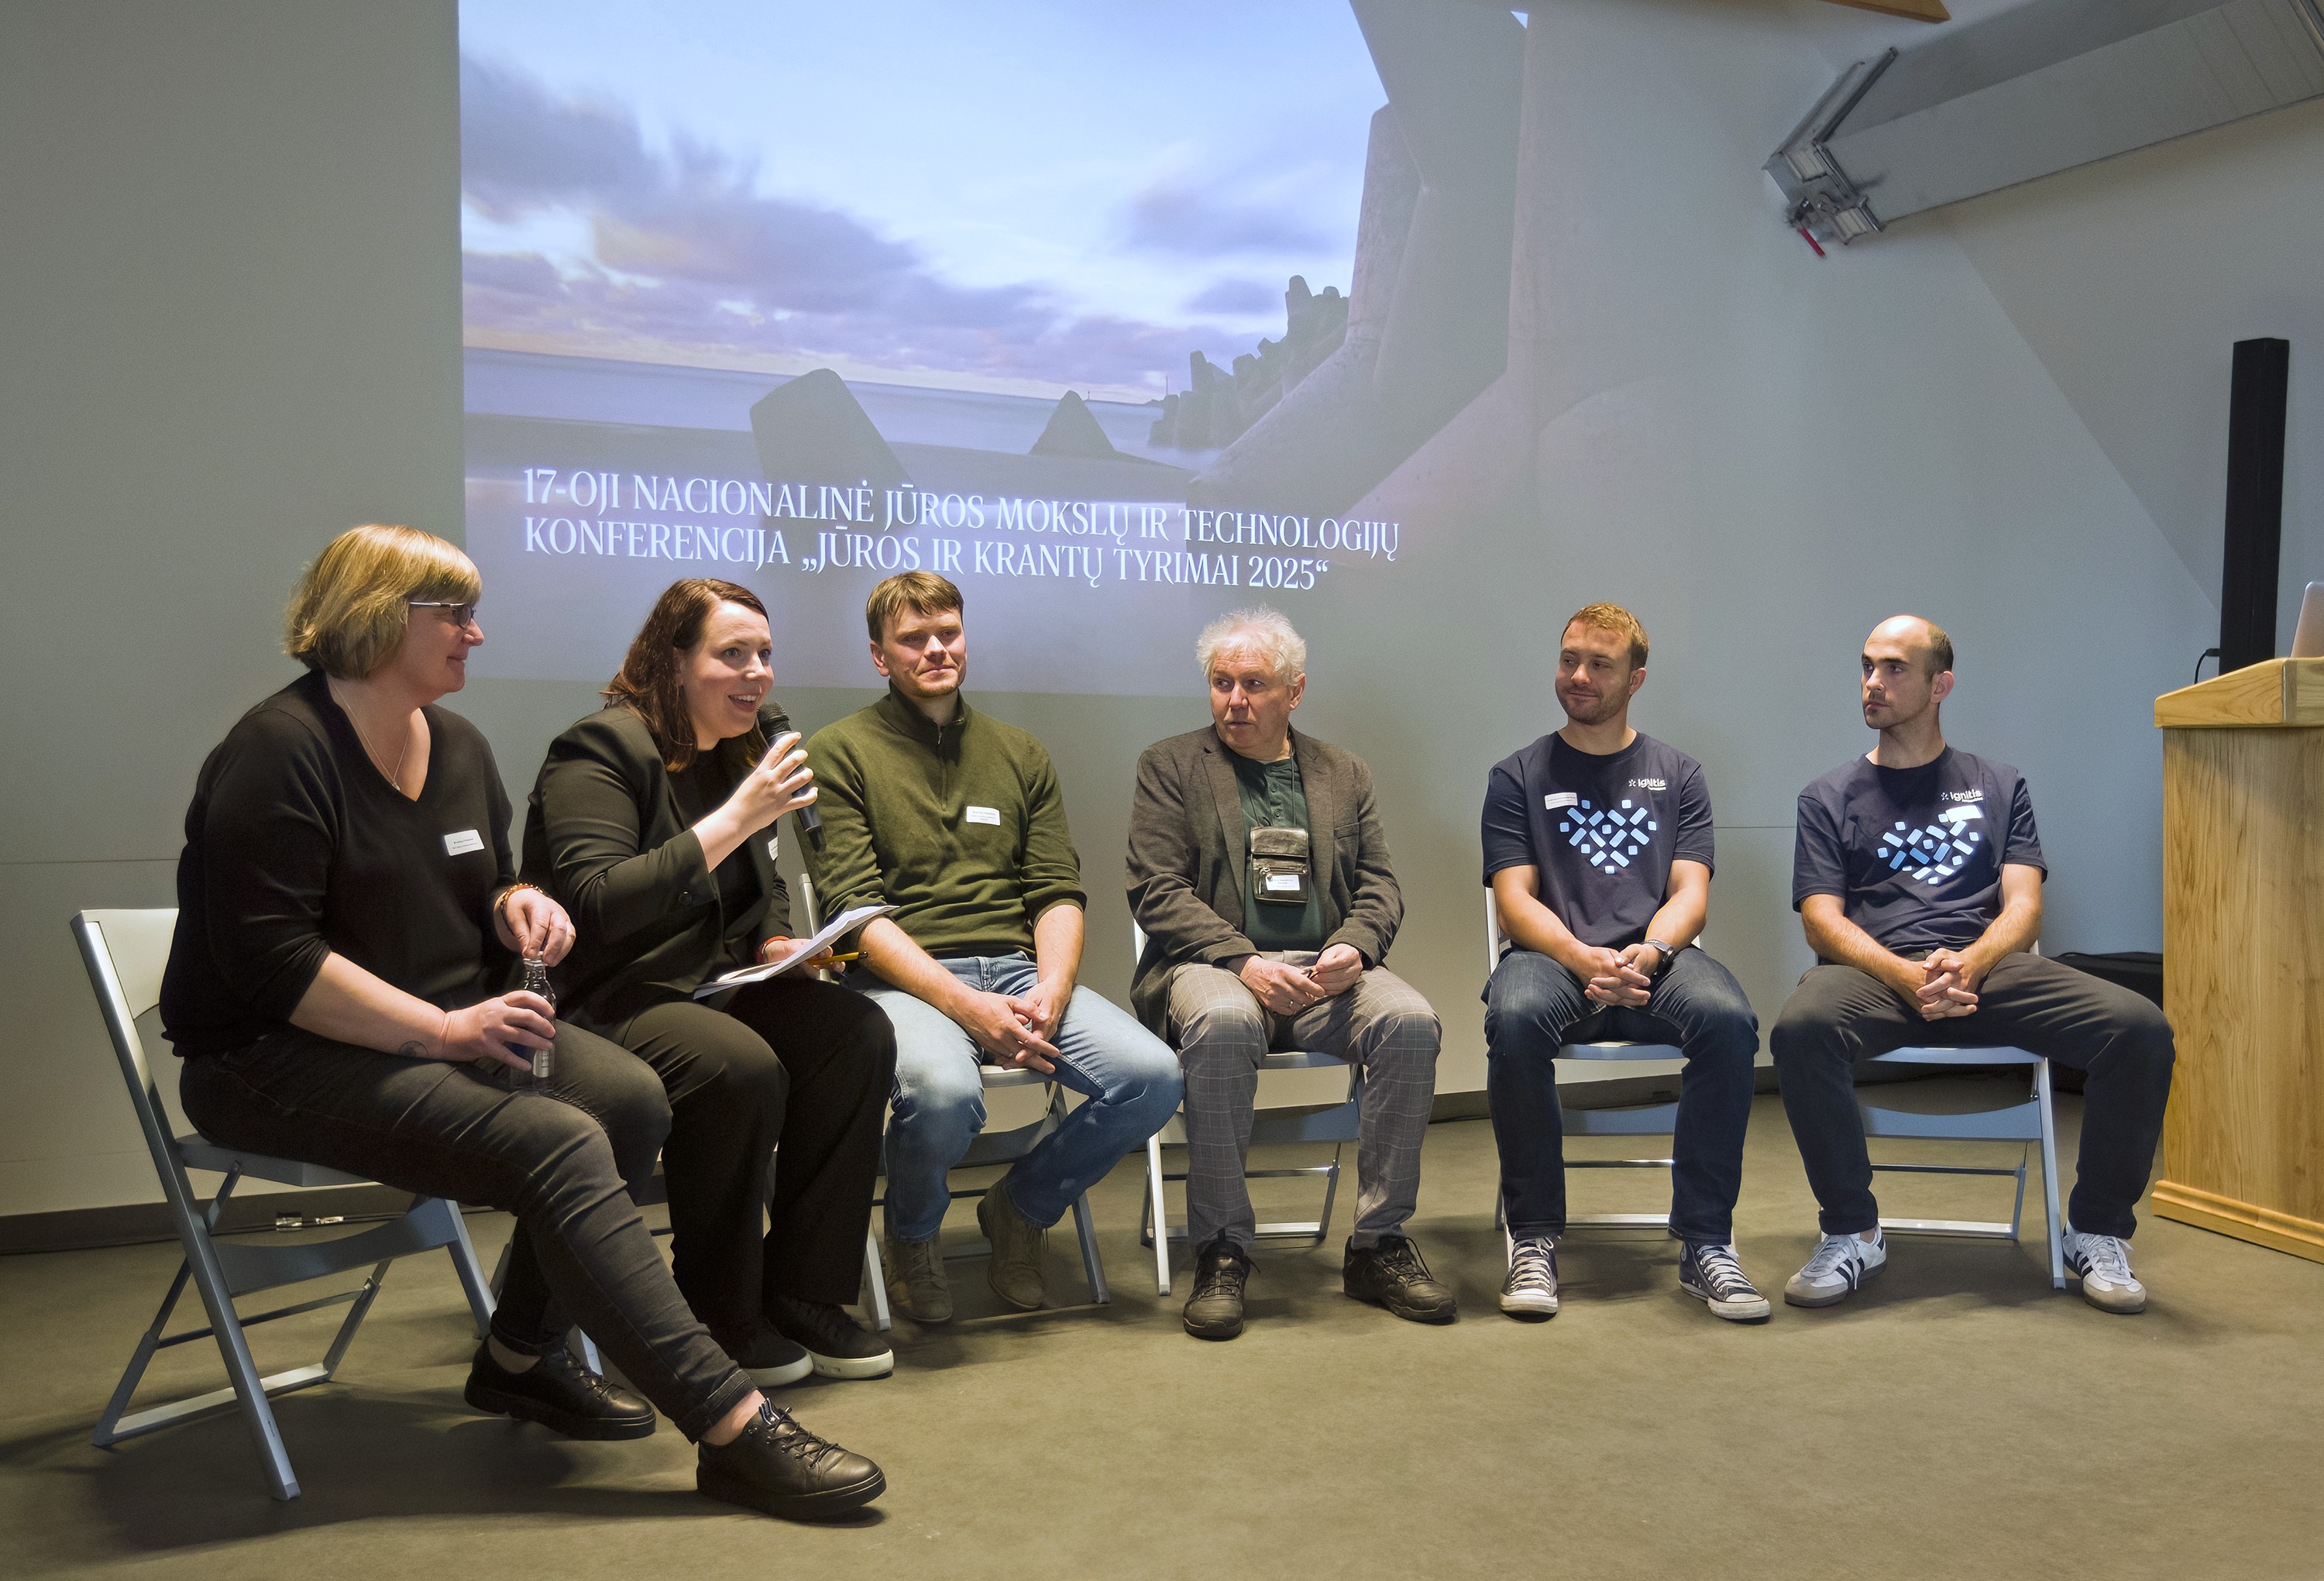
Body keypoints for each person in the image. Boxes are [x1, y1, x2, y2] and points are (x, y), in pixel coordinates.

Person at [159, 525, 882, 1521]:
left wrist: (513, 903)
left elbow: (484, 880)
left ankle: (517, 1356)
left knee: (630, 1098)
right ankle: (732, 1424)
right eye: (455, 614)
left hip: (434, 1025)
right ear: (378, 617)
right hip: (272, 1055)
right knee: (558, 1137)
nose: (477, 634)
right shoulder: (278, 751)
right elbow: (275, 966)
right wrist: (443, 1032)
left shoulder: (455, 743)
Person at [522, 578, 896, 1385]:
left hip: (711, 984)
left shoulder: (735, 752)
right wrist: (737, 817)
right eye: (732, 654)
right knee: (736, 1065)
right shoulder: (599, 749)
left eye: (765, 654)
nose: (756, 672)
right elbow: (596, 902)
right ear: (673, 662)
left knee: (855, 1032)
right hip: (611, 996)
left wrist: (775, 940)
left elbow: (754, 886)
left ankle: (804, 1291)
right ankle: (717, 1308)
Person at [804, 571, 1181, 1321]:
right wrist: (967, 1007)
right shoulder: (837, 752)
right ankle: (912, 1235)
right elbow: (855, 915)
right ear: (880, 656)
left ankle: (1021, 1207)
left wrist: (1053, 989)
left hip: (1017, 971)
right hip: (899, 983)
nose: (936, 649)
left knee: (1154, 1076)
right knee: (943, 1094)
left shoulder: (1019, 752)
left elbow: (1056, 890)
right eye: (913, 638)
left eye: (948, 632)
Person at [1772, 615, 2175, 1315]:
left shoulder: (1998, 783)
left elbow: (2025, 907)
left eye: (1894, 668)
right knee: (1801, 1028)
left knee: (2139, 1030)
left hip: (1987, 969)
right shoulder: (1828, 796)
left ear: (1941, 685)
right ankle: (1853, 1229)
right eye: (1867, 666)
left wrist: (1973, 961)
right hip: (1875, 975)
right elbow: (1821, 919)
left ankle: (2096, 1229)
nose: (1873, 682)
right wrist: (1903, 974)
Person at [1128, 609, 1450, 1339]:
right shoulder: (1170, 765)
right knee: (1223, 1021)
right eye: (1222, 683)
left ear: (1294, 691)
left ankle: (1378, 1245)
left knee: (1409, 1022)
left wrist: (1354, 948)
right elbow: (1156, 889)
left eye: (1253, 684)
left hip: (1322, 973)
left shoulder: (1344, 771)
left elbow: (1379, 883)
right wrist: (1244, 961)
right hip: (1213, 964)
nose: (1234, 700)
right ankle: (1222, 1248)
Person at [1480, 603, 1768, 1322]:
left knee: (1729, 1020)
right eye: (1569, 659)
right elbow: (1514, 902)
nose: (1578, 675)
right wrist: (1581, 957)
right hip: (1552, 956)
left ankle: (1706, 1240)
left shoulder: (1679, 773)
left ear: (1635, 679)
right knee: (1513, 1016)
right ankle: (1534, 1236)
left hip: (1656, 958)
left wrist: (1653, 948)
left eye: (1599, 664)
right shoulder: (1516, 775)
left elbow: (1690, 894)